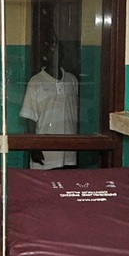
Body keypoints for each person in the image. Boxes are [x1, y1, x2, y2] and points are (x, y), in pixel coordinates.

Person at [20, 36, 78, 170]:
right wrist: (33, 147)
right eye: (52, 51)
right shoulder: (36, 82)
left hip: (69, 153)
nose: (56, 54)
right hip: (46, 155)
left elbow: (74, 115)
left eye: (59, 50)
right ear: (45, 55)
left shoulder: (72, 80)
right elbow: (29, 119)